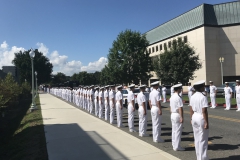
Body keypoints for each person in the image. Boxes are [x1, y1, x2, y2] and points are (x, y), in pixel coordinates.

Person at [190, 80, 209, 160]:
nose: (204, 87)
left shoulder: (193, 96)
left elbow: (190, 108)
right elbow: (204, 111)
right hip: (201, 117)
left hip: (194, 116)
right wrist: (206, 122)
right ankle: (203, 158)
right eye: (203, 86)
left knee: (197, 138)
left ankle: (199, 157)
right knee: (203, 139)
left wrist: (191, 118)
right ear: (201, 87)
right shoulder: (203, 97)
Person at [170, 83, 185, 151]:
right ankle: (177, 146)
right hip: (177, 114)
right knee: (178, 131)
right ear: (178, 89)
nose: (181, 90)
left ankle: (174, 144)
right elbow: (180, 108)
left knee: (174, 130)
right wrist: (181, 117)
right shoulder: (178, 97)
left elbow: (170, 107)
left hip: (173, 114)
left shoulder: (172, 96)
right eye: (180, 89)